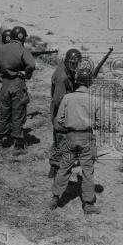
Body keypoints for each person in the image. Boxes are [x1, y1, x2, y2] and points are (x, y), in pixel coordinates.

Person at [50, 67, 101, 215]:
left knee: (64, 167)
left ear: (77, 81)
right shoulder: (95, 100)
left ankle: (55, 197)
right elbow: (100, 122)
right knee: (87, 171)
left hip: (70, 138)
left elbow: (59, 120)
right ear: (90, 82)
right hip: (87, 139)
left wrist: (69, 127)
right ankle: (88, 204)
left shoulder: (67, 98)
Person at [0, 25, 36, 154]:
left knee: (4, 111)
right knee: (18, 113)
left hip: (4, 84)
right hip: (17, 84)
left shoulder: (0, 48)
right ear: (21, 37)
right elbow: (31, 65)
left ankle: (0, 139)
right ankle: (17, 143)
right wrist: (26, 74)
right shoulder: (23, 50)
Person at [48, 49, 82, 178]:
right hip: (60, 112)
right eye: (72, 63)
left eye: (76, 63)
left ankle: (55, 165)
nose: (74, 66)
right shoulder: (62, 77)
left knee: (60, 140)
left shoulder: (66, 68)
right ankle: (56, 168)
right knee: (61, 139)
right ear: (67, 61)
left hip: (63, 109)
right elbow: (58, 101)